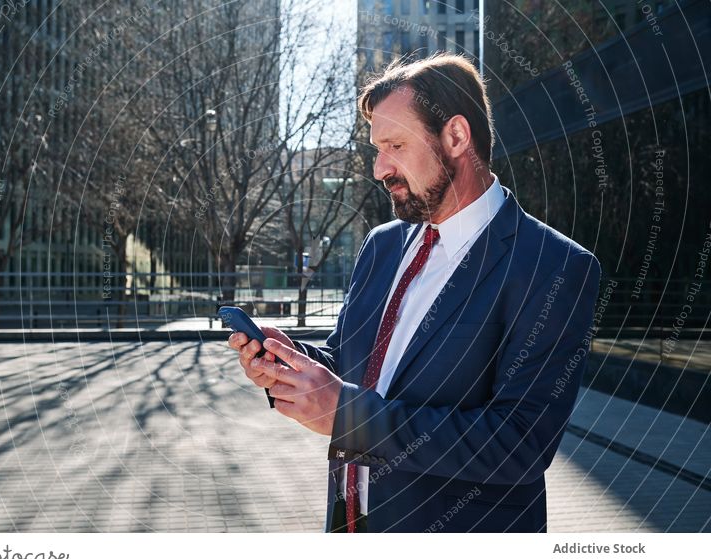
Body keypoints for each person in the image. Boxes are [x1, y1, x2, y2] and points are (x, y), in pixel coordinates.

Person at [227, 52, 601, 533]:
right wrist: (286, 357)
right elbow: (353, 365)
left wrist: (346, 413)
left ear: (456, 137)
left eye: (395, 145)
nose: (379, 168)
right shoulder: (383, 244)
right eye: (376, 149)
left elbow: (518, 446)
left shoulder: (553, 267)